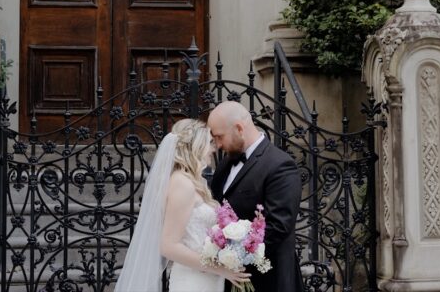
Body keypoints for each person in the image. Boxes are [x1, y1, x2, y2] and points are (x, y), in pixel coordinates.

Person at [116, 118, 250, 292]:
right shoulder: (181, 184)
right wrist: (220, 268)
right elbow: (169, 246)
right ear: (195, 145)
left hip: (207, 278)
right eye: (209, 143)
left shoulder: (193, 182)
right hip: (193, 281)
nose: (214, 148)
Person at [208, 102, 303, 292]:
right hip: (229, 279)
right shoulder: (224, 165)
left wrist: (235, 256)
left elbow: (278, 226)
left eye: (219, 137)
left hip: (268, 281)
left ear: (239, 129)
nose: (217, 145)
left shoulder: (280, 165)